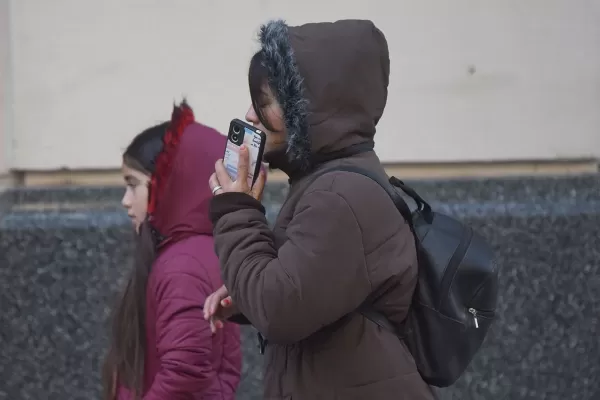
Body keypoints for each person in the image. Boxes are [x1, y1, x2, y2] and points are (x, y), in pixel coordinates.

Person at [205, 19, 435, 399]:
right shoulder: (329, 182)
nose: (250, 114)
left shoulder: (339, 195)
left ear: (312, 107)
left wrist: (236, 209)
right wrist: (247, 288)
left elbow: (280, 310)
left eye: (266, 101)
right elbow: (309, 290)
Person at [103, 101, 242, 400]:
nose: (126, 201)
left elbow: (184, 373)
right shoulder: (203, 250)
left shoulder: (183, 265)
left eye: (133, 185)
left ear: (169, 185)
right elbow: (226, 364)